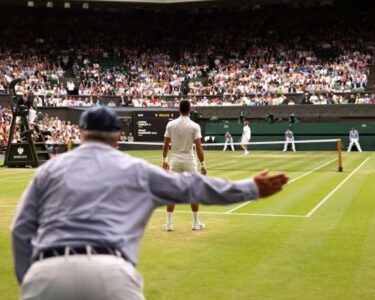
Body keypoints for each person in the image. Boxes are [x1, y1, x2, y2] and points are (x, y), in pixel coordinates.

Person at [11, 106, 288, 300]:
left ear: (81, 133)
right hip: (110, 274)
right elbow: (193, 186)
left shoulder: (49, 170)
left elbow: (21, 231)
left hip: (45, 275)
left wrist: (32, 279)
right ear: (119, 137)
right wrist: (249, 188)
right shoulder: (136, 170)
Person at [162, 100, 206, 231]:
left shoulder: (171, 124)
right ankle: (195, 223)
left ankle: (169, 224)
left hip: (174, 161)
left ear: (179, 110)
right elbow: (198, 147)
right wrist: (203, 164)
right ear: (190, 110)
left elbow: (165, 145)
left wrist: (164, 160)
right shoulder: (194, 126)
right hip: (189, 161)